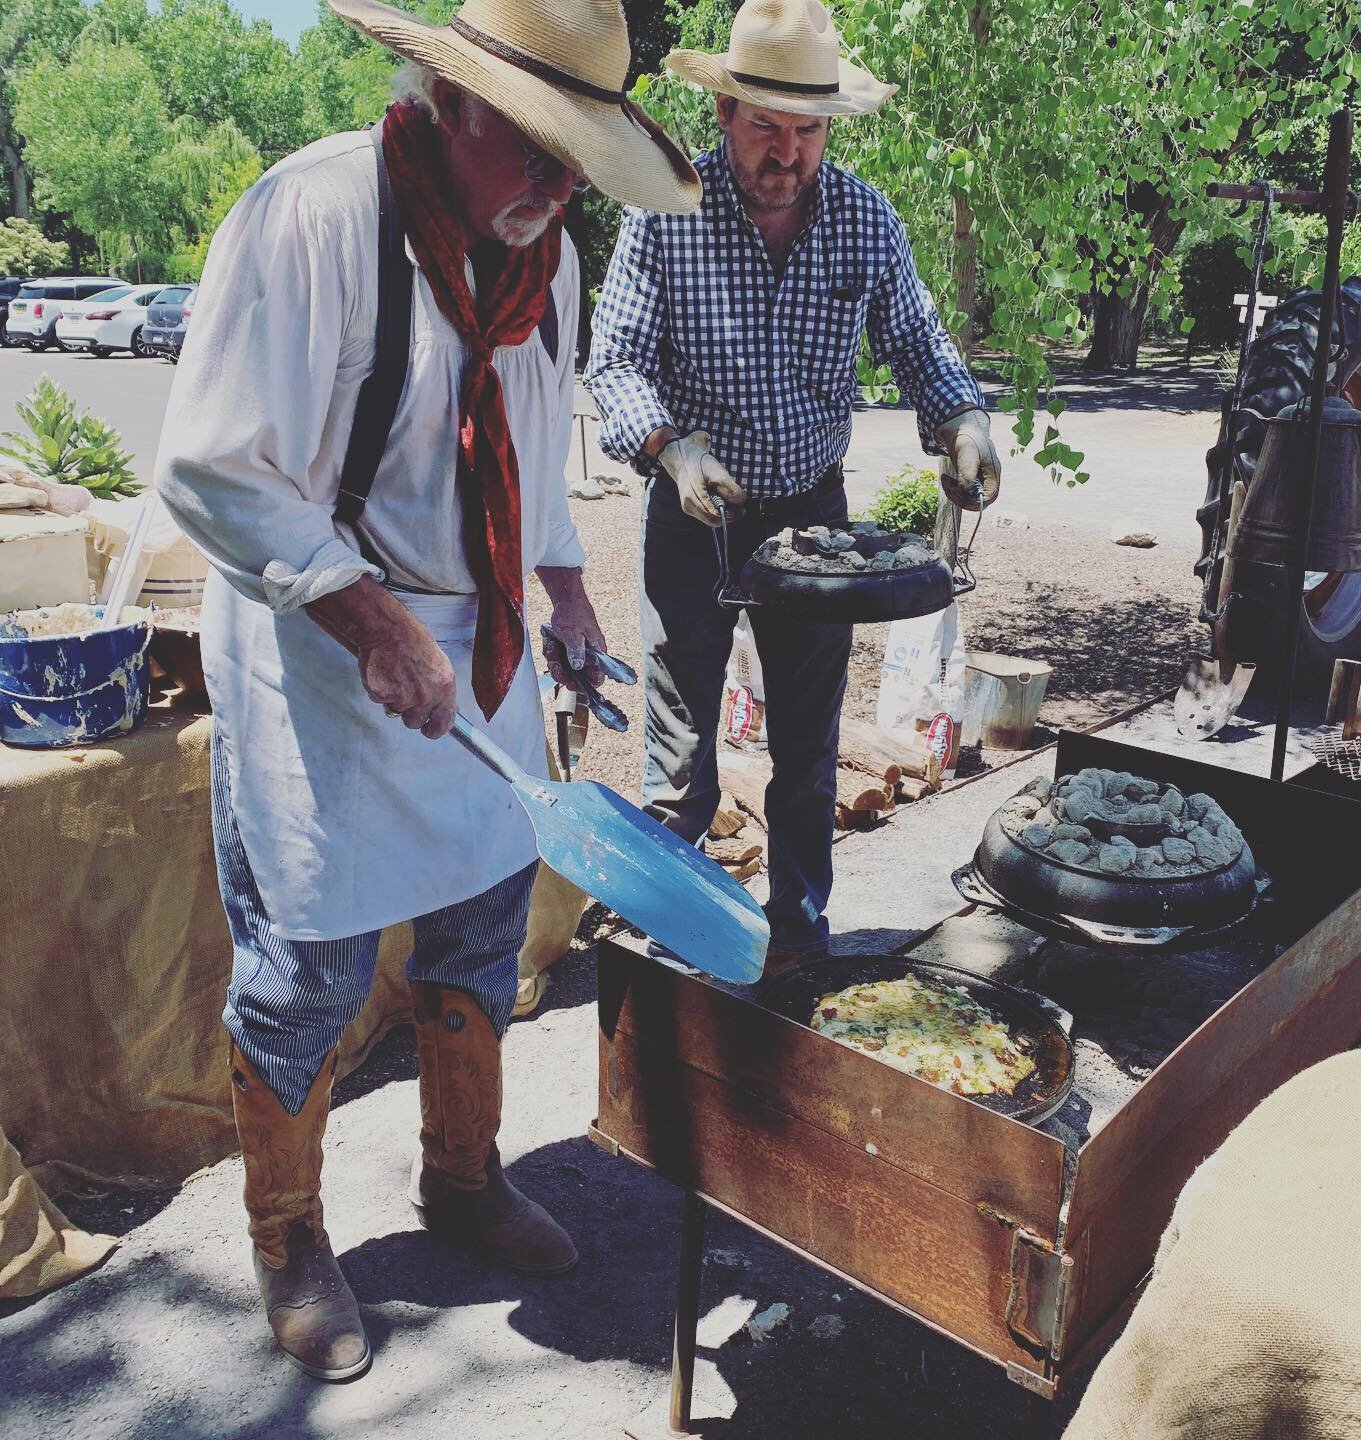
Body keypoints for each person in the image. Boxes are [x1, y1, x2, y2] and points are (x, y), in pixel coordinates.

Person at [154, 0, 699, 1382]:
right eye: (539, 148)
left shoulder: (551, 258)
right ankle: (287, 1232)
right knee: (309, 969)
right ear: (450, 101)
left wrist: (567, 594)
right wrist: (369, 616)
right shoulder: (314, 220)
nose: (561, 186)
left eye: (582, 159)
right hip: (316, 643)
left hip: (487, 645)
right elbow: (215, 467)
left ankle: (460, 1178)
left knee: (481, 922)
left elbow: (531, 446)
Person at [584, 0, 1000, 972]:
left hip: (816, 524)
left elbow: (919, 343)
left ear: (828, 128)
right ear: (724, 116)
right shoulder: (664, 211)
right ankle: (668, 955)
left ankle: (799, 943)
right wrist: (667, 445)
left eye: (804, 131)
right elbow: (614, 362)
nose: (786, 152)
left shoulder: (863, 218)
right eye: (765, 127)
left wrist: (966, 421)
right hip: (694, 518)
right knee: (679, 768)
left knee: (808, 759)